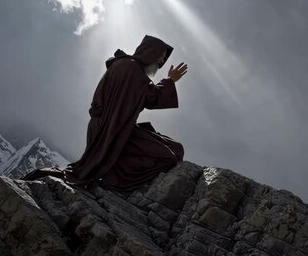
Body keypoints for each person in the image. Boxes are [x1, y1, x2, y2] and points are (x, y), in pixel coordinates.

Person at [22, 34, 188, 191]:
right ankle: (113, 180)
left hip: (109, 129)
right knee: (169, 155)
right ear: (151, 53)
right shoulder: (133, 71)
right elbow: (151, 97)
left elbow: (144, 95)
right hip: (111, 132)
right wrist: (170, 81)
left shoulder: (124, 65)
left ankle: (111, 172)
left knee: (173, 147)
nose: (161, 62)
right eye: (161, 56)